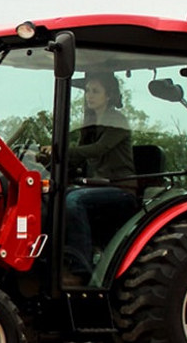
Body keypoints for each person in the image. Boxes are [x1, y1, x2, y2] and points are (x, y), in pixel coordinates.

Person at [46, 72, 139, 287]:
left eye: (96, 91)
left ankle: (80, 269)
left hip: (120, 188)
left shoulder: (117, 120)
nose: (89, 95)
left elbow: (98, 149)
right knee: (52, 196)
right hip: (97, 185)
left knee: (73, 201)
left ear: (109, 95)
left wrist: (60, 150)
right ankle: (52, 262)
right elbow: (78, 157)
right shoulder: (90, 123)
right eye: (87, 90)